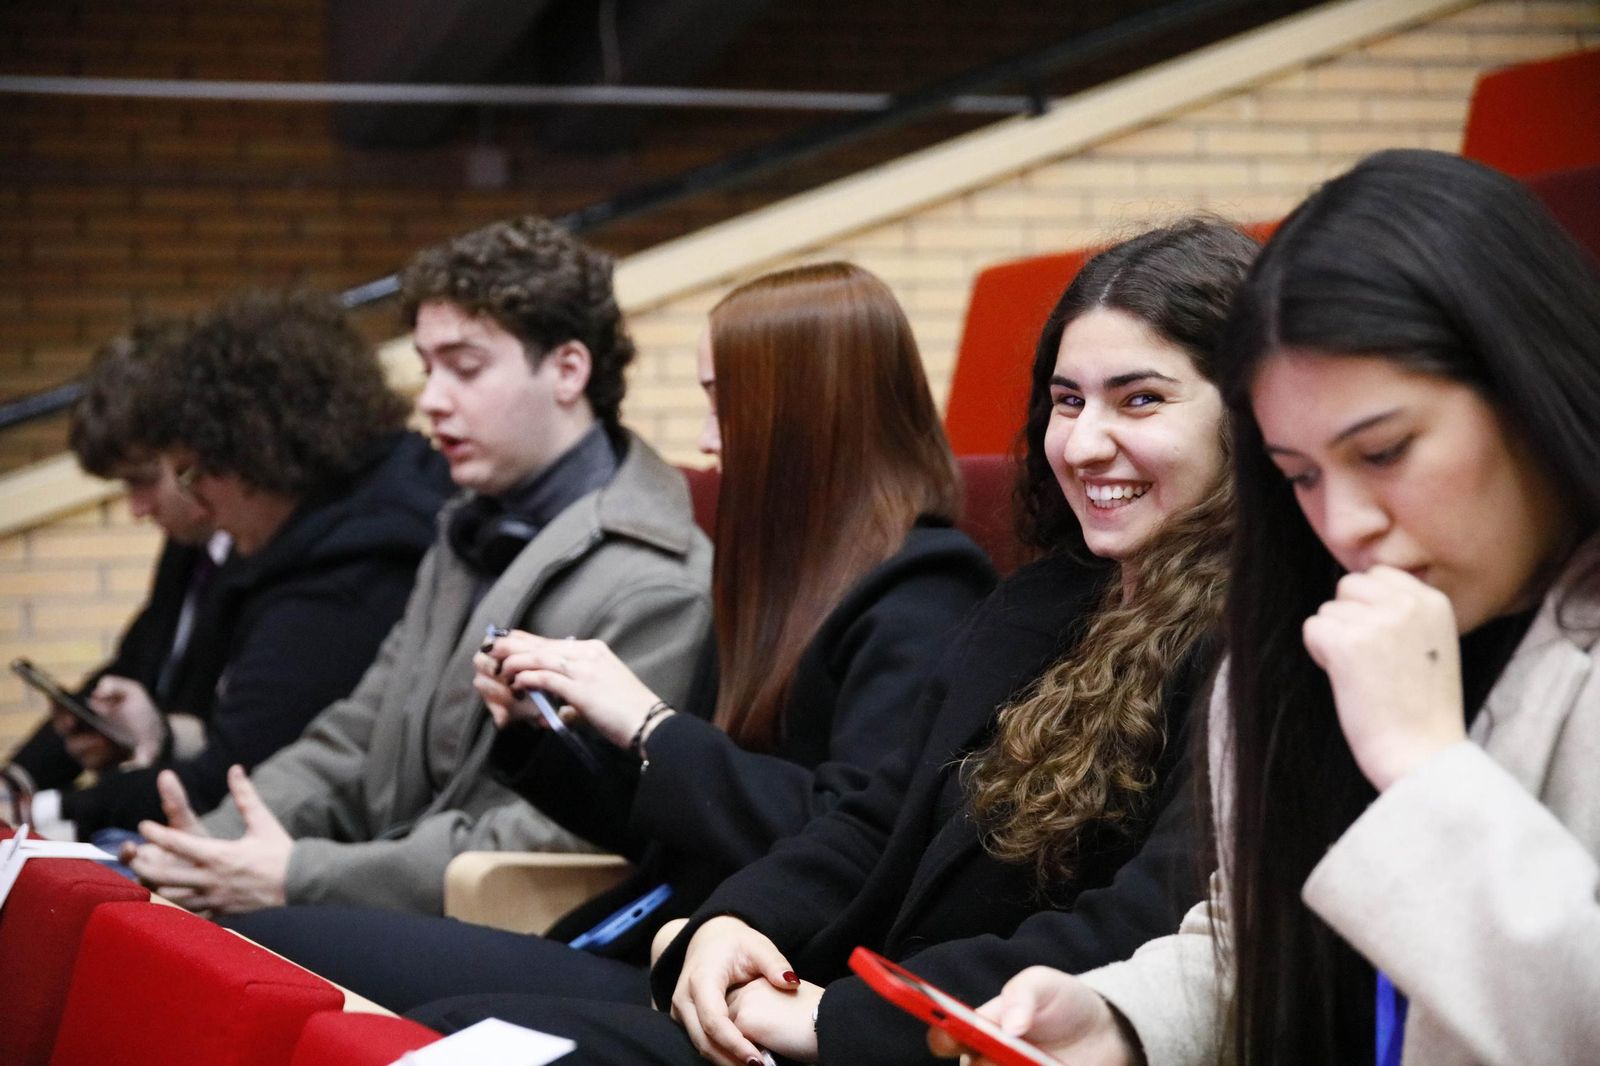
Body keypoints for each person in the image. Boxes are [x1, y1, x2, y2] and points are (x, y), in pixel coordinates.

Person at [409, 218, 1259, 1066]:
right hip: (800, 994)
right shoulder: (1042, 598)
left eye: (1139, 399)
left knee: (452, 1044)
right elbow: (871, 820)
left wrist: (837, 1015)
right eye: (1067, 402)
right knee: (437, 1038)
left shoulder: (1251, 641)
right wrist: (736, 922)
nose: (1080, 442)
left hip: (924, 1034)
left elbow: (1143, 927)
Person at [937, 150, 1600, 1066]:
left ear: (1531, 391)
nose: (1345, 524)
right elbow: (1257, 941)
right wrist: (1120, 1019)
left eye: (1385, 451)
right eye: (1299, 476)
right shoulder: (1304, 630)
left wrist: (1425, 769)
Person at [208, 260, 997, 1011]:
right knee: (253, 947)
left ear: (801, 415)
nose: (709, 440)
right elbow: (682, 825)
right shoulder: (789, 582)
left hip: (755, 972)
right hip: (663, 933)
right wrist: (541, 738)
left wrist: (649, 724)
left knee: (313, 961)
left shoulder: (922, 591)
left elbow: (849, 836)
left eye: (725, 403)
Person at [126, 216, 714, 917]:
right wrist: (214, 846)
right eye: (428, 368)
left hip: (507, 932)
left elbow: (554, 845)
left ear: (567, 370)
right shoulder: (467, 525)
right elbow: (356, 735)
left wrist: (300, 875)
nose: (431, 398)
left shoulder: (656, 580)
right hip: (396, 895)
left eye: (464, 367)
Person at [32, 291, 454, 839]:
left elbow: (235, 779)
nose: (197, 503)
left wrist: (55, 814)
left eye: (189, 475)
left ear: (254, 454)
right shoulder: (332, 531)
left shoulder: (354, 565)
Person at [1, 321, 228, 829]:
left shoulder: (263, 557)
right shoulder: (186, 549)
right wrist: (19, 780)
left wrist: (48, 807)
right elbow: (133, 665)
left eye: (143, 481)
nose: (137, 510)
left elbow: (234, 744)